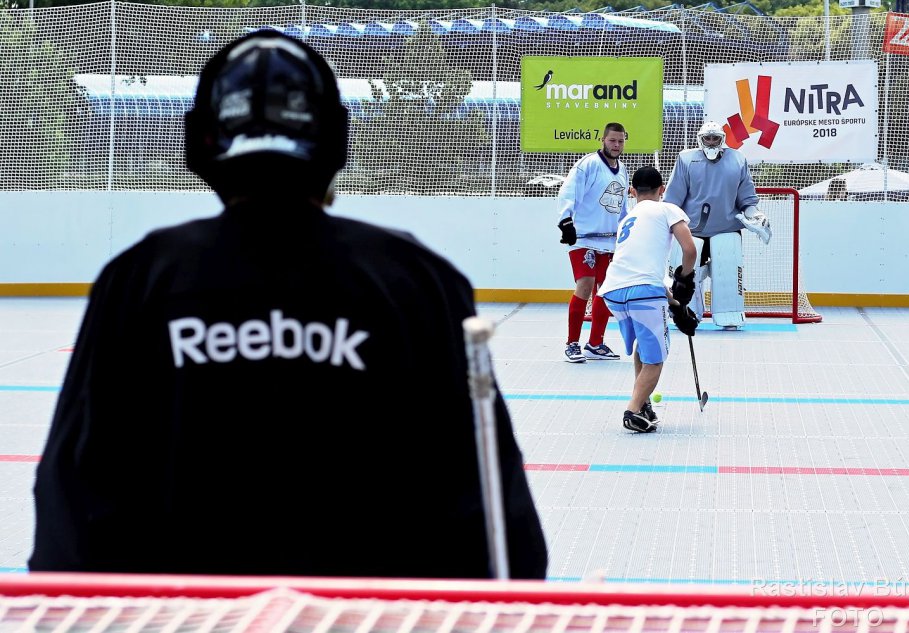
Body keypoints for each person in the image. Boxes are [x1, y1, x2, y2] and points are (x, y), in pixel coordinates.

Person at [29, 30, 547, 580]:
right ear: (337, 142)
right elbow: (492, 511)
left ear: (199, 143)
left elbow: (71, 498)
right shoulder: (416, 279)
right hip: (373, 615)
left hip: (180, 613)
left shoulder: (142, 279)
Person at [599, 166, 699, 432]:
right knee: (655, 359)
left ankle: (643, 404)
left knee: (644, 348)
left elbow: (640, 273)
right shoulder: (667, 209)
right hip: (643, 293)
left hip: (613, 293)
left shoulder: (626, 220)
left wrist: (676, 306)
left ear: (632, 192)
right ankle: (632, 411)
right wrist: (684, 279)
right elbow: (690, 250)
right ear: (662, 189)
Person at [663, 121, 771, 330]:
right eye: (708, 138)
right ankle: (685, 312)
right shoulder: (686, 159)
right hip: (691, 231)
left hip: (727, 229)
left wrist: (756, 215)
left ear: (722, 140)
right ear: (700, 139)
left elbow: (747, 200)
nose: (711, 142)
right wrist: (667, 225)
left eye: (715, 138)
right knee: (687, 274)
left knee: (727, 273)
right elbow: (673, 199)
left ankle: (729, 315)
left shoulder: (738, 159)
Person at [556, 122, 629, 362]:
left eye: (620, 141)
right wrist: (566, 221)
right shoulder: (587, 164)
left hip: (609, 241)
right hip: (583, 239)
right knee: (585, 285)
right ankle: (572, 344)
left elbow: (622, 208)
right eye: (612, 140)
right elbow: (568, 192)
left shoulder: (623, 170)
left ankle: (595, 344)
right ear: (603, 140)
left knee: (606, 290)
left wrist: (626, 231)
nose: (616, 145)